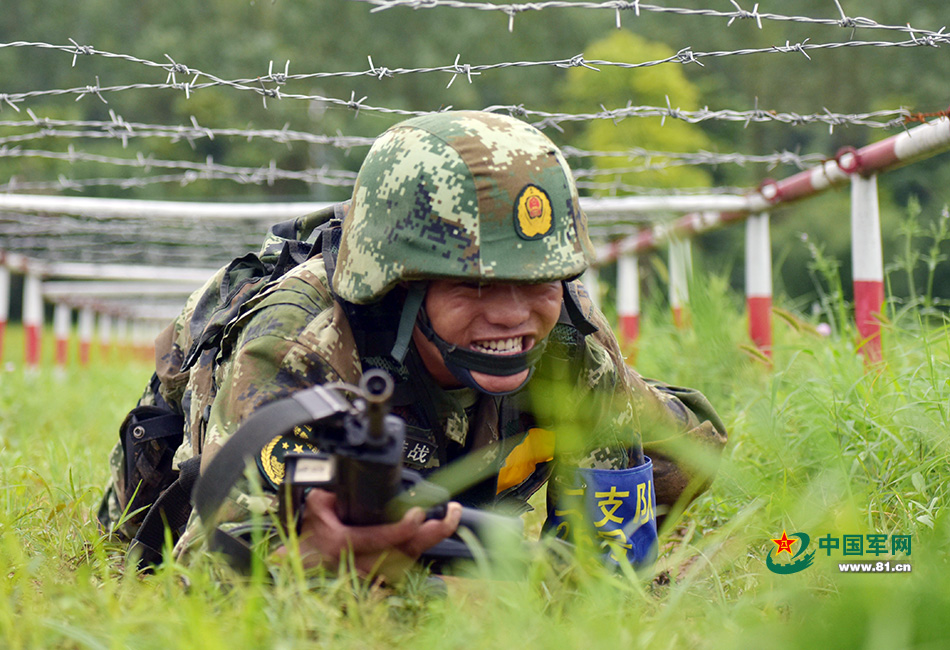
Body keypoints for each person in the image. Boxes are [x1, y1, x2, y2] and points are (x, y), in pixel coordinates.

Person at [98, 110, 727, 579]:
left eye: (538, 282)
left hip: (443, 473)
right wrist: (325, 562)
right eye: (472, 286)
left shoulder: (567, 336)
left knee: (677, 448)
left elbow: (612, 553)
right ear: (398, 286)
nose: (513, 315)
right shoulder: (299, 346)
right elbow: (214, 570)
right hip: (201, 434)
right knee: (140, 551)